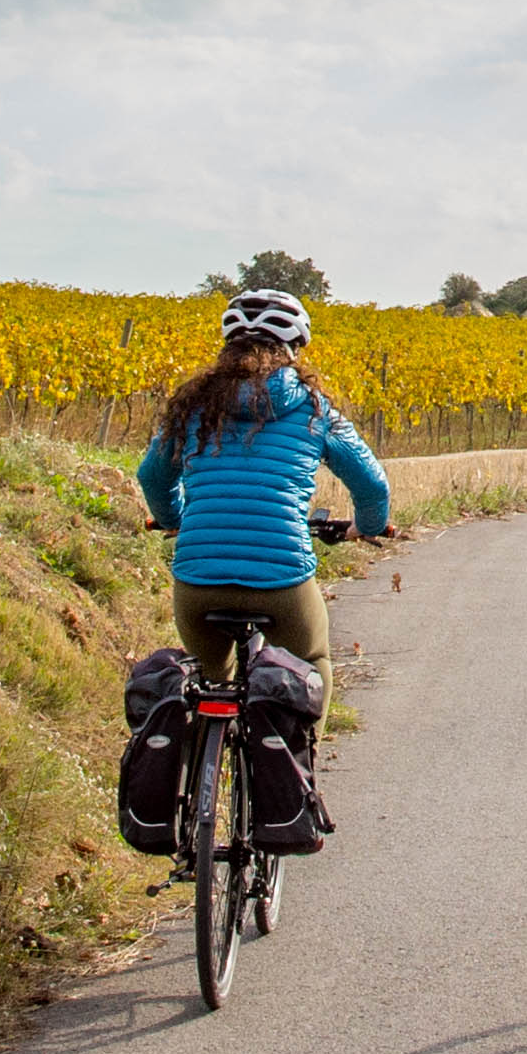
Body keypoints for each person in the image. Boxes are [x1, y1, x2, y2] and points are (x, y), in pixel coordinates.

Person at [133, 289, 397, 831]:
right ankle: (297, 773)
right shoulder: (314, 409)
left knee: (206, 680)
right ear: (295, 348)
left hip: (198, 579)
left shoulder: (193, 407)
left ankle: (194, 793)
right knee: (312, 660)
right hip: (282, 577)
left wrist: (175, 518)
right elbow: (372, 484)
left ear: (228, 346)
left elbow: (152, 475)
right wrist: (367, 528)